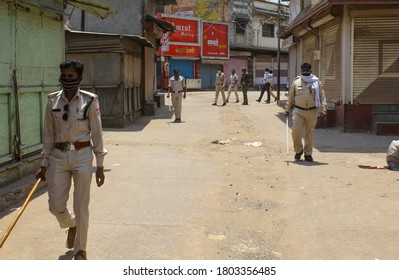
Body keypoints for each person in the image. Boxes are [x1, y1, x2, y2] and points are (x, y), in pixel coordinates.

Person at [36, 59, 107, 260]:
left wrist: (100, 165)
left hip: (83, 156)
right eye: (64, 76)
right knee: (55, 205)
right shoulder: (52, 100)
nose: (67, 79)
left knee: (81, 205)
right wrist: (43, 163)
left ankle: (81, 250)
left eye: (71, 76)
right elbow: (48, 135)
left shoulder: (90, 100)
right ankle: (71, 224)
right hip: (58, 157)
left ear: (80, 79)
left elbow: (97, 133)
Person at [284, 62, 327, 162]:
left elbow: (322, 96)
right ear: (301, 70)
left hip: (312, 111)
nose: (305, 71)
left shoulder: (316, 82)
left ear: (311, 71)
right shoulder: (296, 81)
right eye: (303, 69)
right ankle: (298, 150)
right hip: (298, 110)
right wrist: (287, 109)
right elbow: (291, 96)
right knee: (295, 131)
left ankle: (308, 154)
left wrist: (324, 109)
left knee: (309, 133)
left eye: (307, 69)